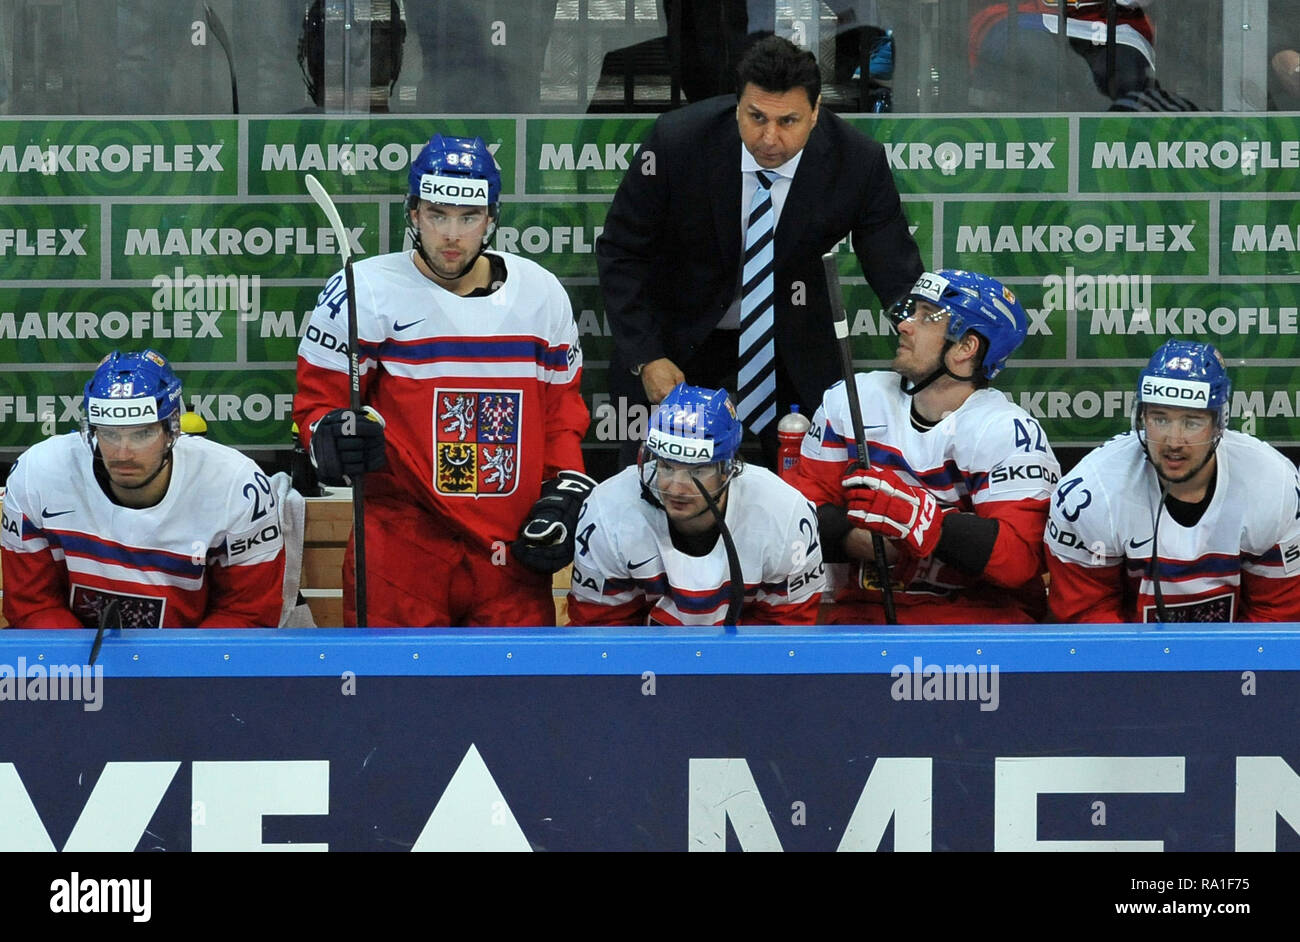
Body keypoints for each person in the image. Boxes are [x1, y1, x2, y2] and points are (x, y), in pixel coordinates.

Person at [293, 133, 591, 627]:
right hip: (401, 550)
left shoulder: (542, 295)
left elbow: (561, 418)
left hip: (509, 554)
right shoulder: (362, 291)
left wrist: (563, 494)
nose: (451, 235)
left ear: (492, 218)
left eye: (469, 217)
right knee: (389, 701)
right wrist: (331, 436)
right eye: (437, 214)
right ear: (413, 214)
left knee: (512, 702)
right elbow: (318, 407)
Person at [596, 34, 922, 468]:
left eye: (788, 121)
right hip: (677, 338)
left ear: (816, 111)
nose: (769, 138)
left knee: (811, 493)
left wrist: (929, 343)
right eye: (755, 117)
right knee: (656, 489)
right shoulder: (678, 142)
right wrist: (647, 356)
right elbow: (621, 251)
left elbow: (895, 271)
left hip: (792, 342)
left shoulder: (857, 163)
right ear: (737, 107)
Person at [787, 269, 1059, 624]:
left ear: (966, 347)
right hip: (863, 618)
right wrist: (859, 538)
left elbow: (1020, 561)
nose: (904, 325)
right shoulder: (851, 400)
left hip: (974, 626)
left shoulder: (1007, 431)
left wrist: (923, 522)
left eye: (927, 317)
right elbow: (794, 520)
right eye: (911, 312)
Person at [1, 350, 286, 629]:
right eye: (110, 433)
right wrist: (91, 671)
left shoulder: (237, 486)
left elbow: (247, 614)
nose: (123, 453)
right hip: (79, 666)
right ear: (92, 430)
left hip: (189, 663)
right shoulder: (37, 472)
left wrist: (181, 671)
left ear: (172, 430)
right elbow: (33, 606)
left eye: (142, 433)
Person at [1045, 340, 1300, 623]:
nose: (1174, 441)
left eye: (1192, 422)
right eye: (1160, 419)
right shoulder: (1092, 492)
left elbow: (1276, 617)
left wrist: (1227, 666)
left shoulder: (1272, 483)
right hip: (1130, 659)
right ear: (1141, 417)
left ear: (1219, 424)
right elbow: (1088, 616)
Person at [566, 384, 824, 626]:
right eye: (666, 466)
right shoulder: (608, 508)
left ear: (728, 469)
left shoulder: (783, 512)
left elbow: (787, 641)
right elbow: (601, 639)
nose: (676, 487)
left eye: (697, 470)